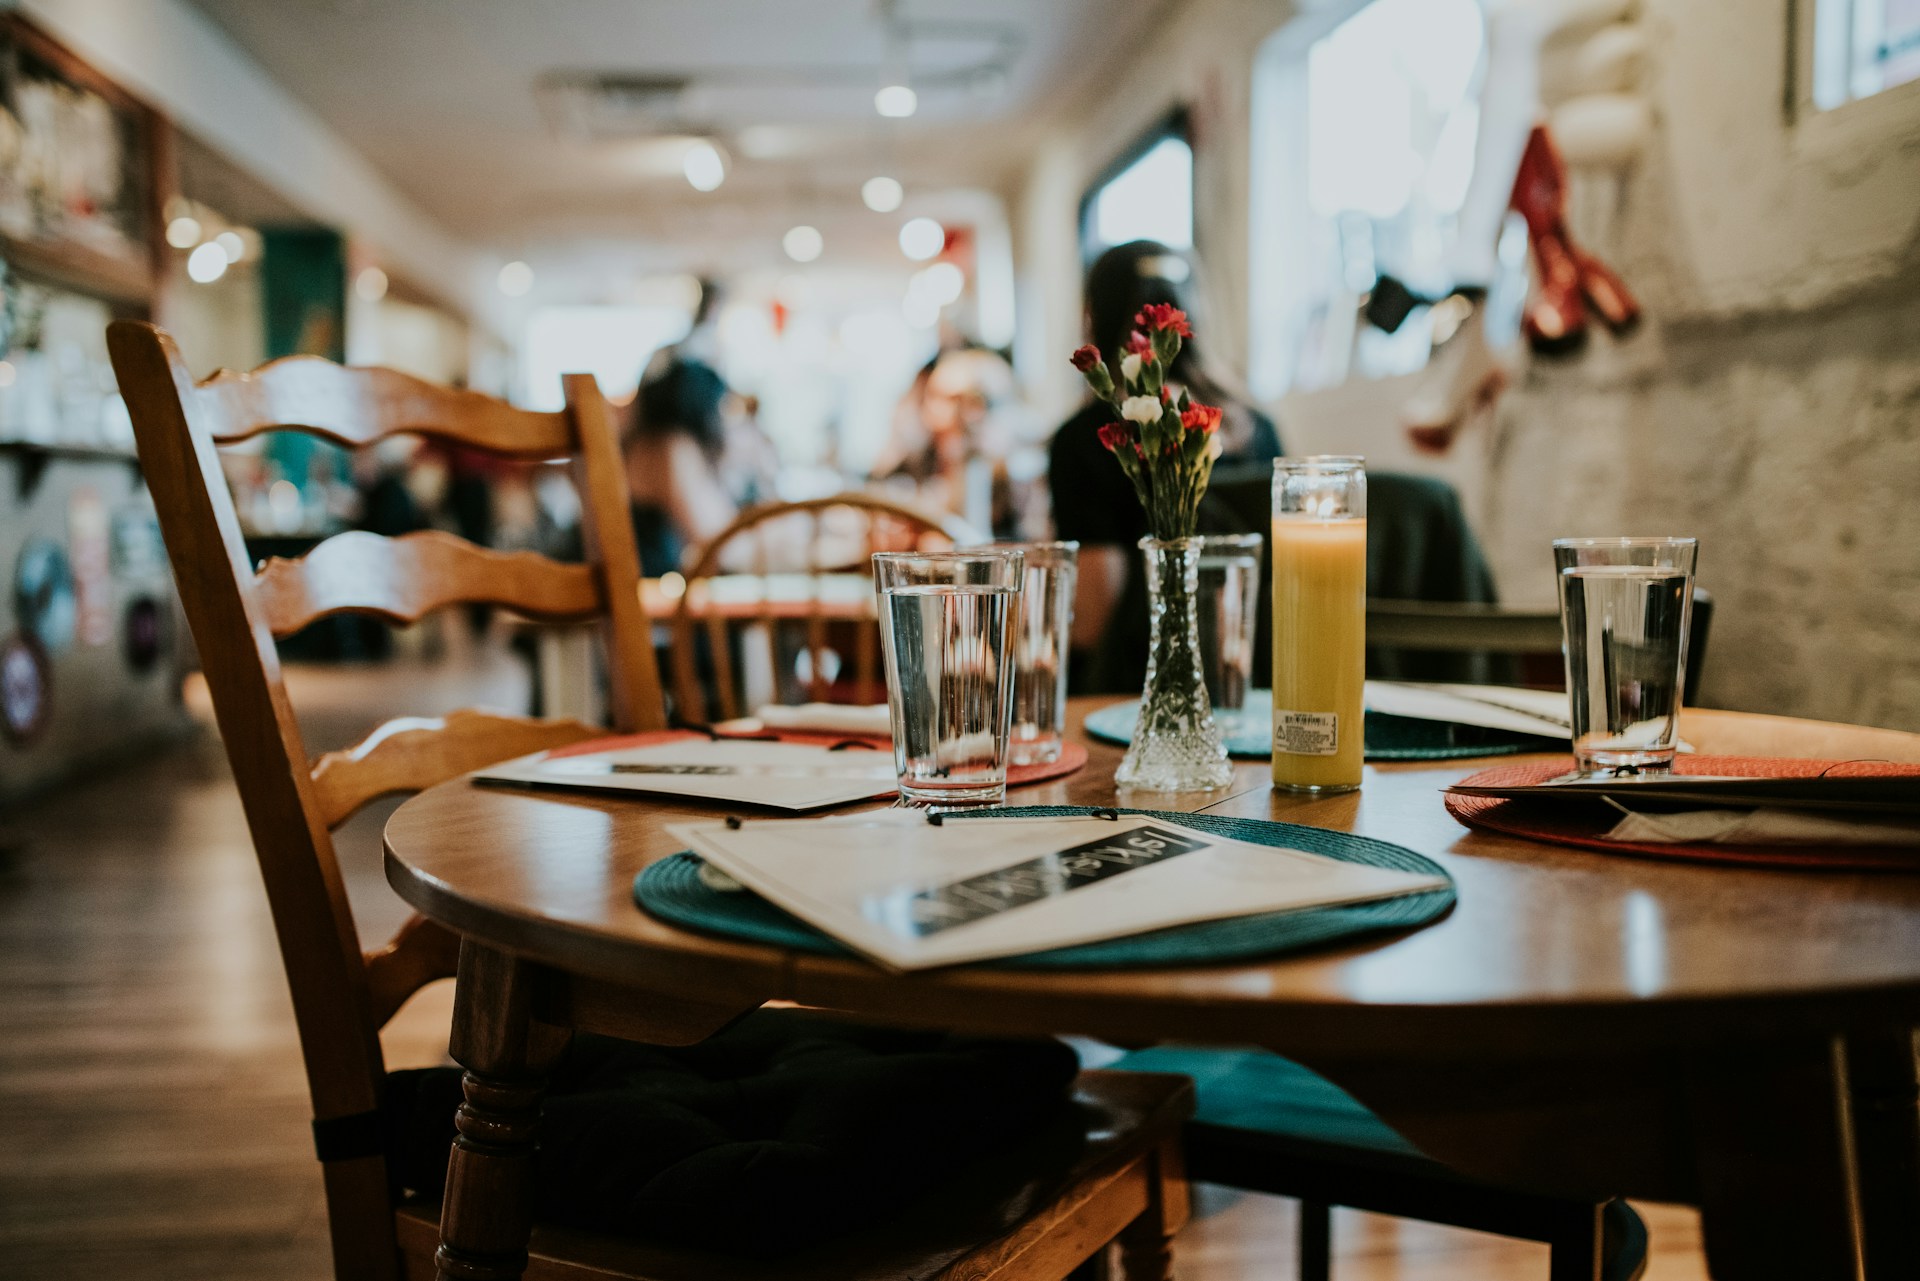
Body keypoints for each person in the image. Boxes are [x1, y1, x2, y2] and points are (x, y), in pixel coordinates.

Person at [1048, 240, 1283, 693]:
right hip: (1257, 685)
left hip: (1137, 698)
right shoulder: (1257, 428)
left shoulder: (1087, 439)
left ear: (1092, 315)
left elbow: (1095, 622)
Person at [625, 358, 737, 577]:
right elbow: (711, 541)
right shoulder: (670, 447)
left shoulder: (644, 442)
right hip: (649, 591)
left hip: (644, 585)